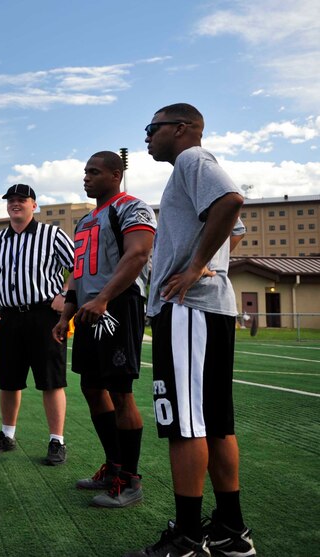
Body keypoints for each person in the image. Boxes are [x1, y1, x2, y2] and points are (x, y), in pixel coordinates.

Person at [124, 104, 254, 557]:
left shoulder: (192, 160)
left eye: (151, 128)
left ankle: (187, 537)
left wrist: (196, 266)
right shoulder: (189, 168)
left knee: (185, 424)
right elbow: (233, 229)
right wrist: (211, 263)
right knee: (215, 423)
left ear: (180, 129)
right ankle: (230, 531)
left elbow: (231, 203)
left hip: (188, 311)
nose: (147, 137)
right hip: (205, 310)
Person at [51, 152, 156, 508]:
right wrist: (66, 315)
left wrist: (105, 298)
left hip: (118, 305)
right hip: (88, 309)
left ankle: (131, 480)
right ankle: (113, 466)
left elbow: (139, 254)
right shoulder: (84, 221)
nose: (86, 177)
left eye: (94, 172)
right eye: (85, 172)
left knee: (120, 390)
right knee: (92, 387)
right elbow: (77, 273)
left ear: (116, 174)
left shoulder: (131, 207)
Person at [0, 184, 75, 465]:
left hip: (45, 315)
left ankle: (57, 440)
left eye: (22, 200)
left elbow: (77, 266)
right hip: (9, 316)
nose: (15, 204)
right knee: (8, 379)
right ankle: (7, 435)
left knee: (51, 380)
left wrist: (65, 295)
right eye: (11, 200)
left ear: (34, 205)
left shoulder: (52, 235)